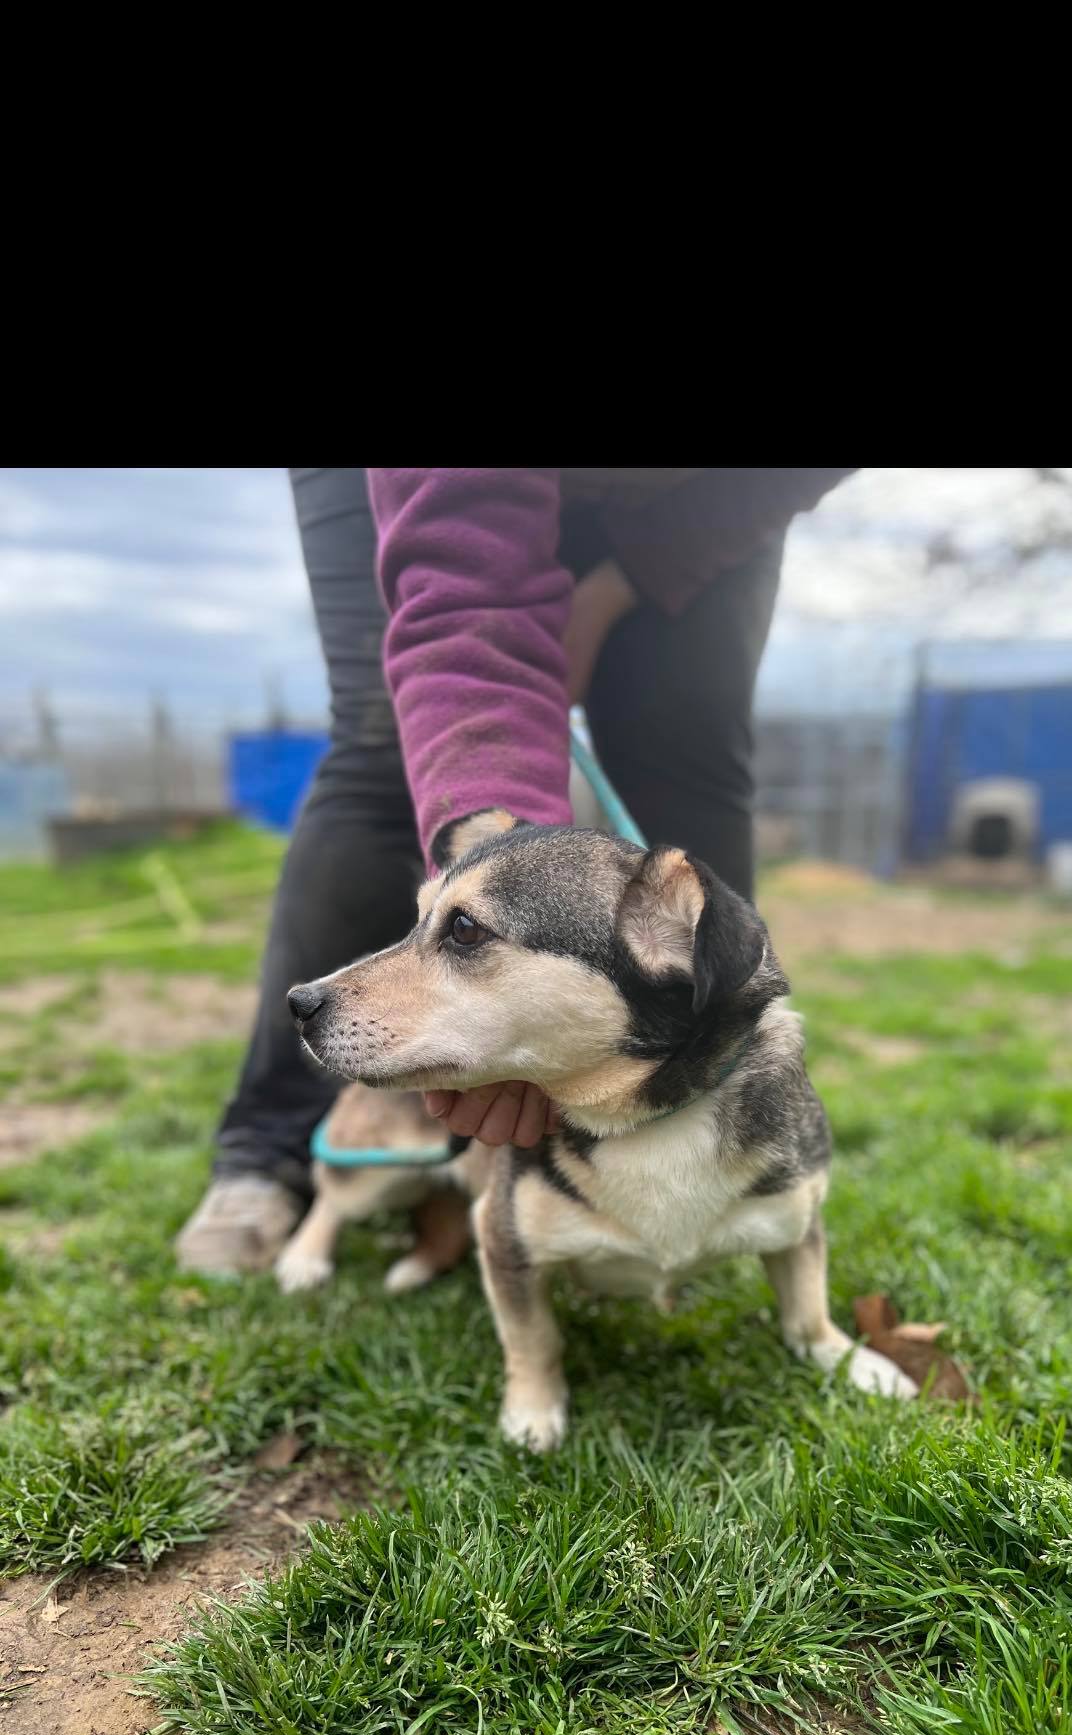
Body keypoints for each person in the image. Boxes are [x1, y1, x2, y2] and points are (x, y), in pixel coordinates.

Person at [176, 467, 855, 1275]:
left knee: (691, 747)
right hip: (442, 499)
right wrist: (488, 839)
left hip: (712, 495)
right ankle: (266, 1147)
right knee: (379, 754)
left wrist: (625, 583)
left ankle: (712, 1144)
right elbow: (463, 606)